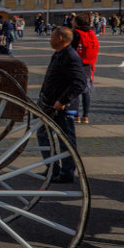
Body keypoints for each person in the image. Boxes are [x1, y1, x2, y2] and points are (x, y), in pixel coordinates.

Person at [37, 26, 88, 183]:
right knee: (43, 134)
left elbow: (80, 83)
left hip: (63, 107)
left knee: (66, 140)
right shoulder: (59, 54)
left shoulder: (70, 56)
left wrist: (63, 100)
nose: (50, 39)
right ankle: (53, 168)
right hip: (50, 104)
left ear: (60, 39)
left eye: (52, 37)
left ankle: (66, 173)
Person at [72, 14, 99, 124]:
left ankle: (76, 116)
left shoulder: (75, 32)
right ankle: (86, 116)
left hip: (77, 65)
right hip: (88, 65)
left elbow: (71, 49)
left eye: (73, 20)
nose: (72, 21)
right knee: (85, 91)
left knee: (74, 91)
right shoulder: (91, 32)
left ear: (77, 22)